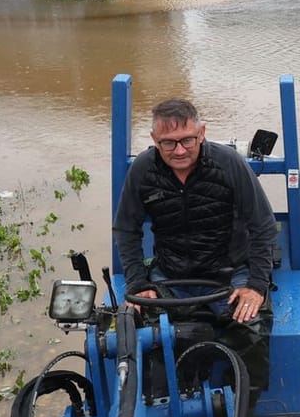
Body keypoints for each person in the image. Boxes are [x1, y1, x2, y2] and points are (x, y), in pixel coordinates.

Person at [113, 97, 276, 350]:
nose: (179, 150)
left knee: (250, 327)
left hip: (229, 273)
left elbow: (263, 225)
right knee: (139, 332)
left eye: (187, 139)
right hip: (170, 274)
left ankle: (244, 390)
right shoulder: (143, 170)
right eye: (168, 142)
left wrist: (256, 285)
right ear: (155, 140)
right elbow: (126, 229)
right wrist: (137, 283)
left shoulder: (229, 163)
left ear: (202, 133)